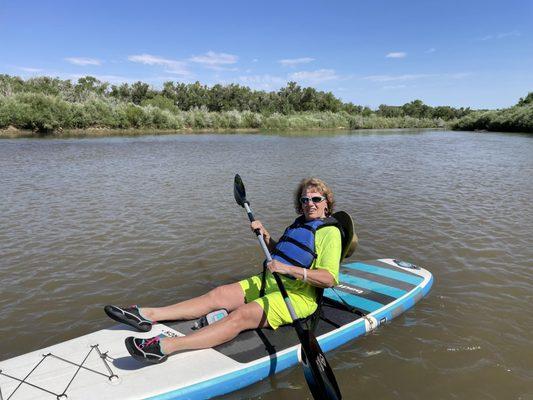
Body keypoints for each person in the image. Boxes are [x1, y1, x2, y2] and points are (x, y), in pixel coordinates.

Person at [104, 177, 343, 364]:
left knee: (240, 316)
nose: (309, 204)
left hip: (298, 297)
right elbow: (283, 253)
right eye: (305, 200)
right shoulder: (301, 224)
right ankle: (148, 315)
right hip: (270, 281)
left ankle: (166, 346)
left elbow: (329, 278)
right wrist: (267, 236)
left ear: (326, 203)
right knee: (218, 294)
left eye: (316, 199)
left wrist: (288, 269)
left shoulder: (330, 233)